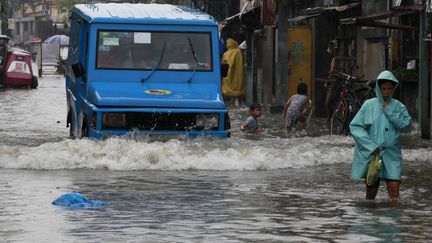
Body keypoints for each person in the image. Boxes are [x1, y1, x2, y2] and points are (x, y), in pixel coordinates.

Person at [349, 70, 412, 201]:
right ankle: (371, 219)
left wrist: (390, 112)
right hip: (373, 154)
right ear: (378, 88)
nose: (387, 92)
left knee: (394, 189)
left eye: (390, 88)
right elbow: (355, 127)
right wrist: (370, 146)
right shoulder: (369, 105)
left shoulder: (399, 106)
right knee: (371, 193)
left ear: (394, 88)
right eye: (384, 88)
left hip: (392, 153)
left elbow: (407, 127)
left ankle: (394, 218)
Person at [221, 38, 245, 107]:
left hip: (228, 74)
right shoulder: (238, 51)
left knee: (230, 89)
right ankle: (239, 103)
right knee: (238, 88)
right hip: (238, 74)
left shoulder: (225, 54)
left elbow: (223, 63)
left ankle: (232, 103)